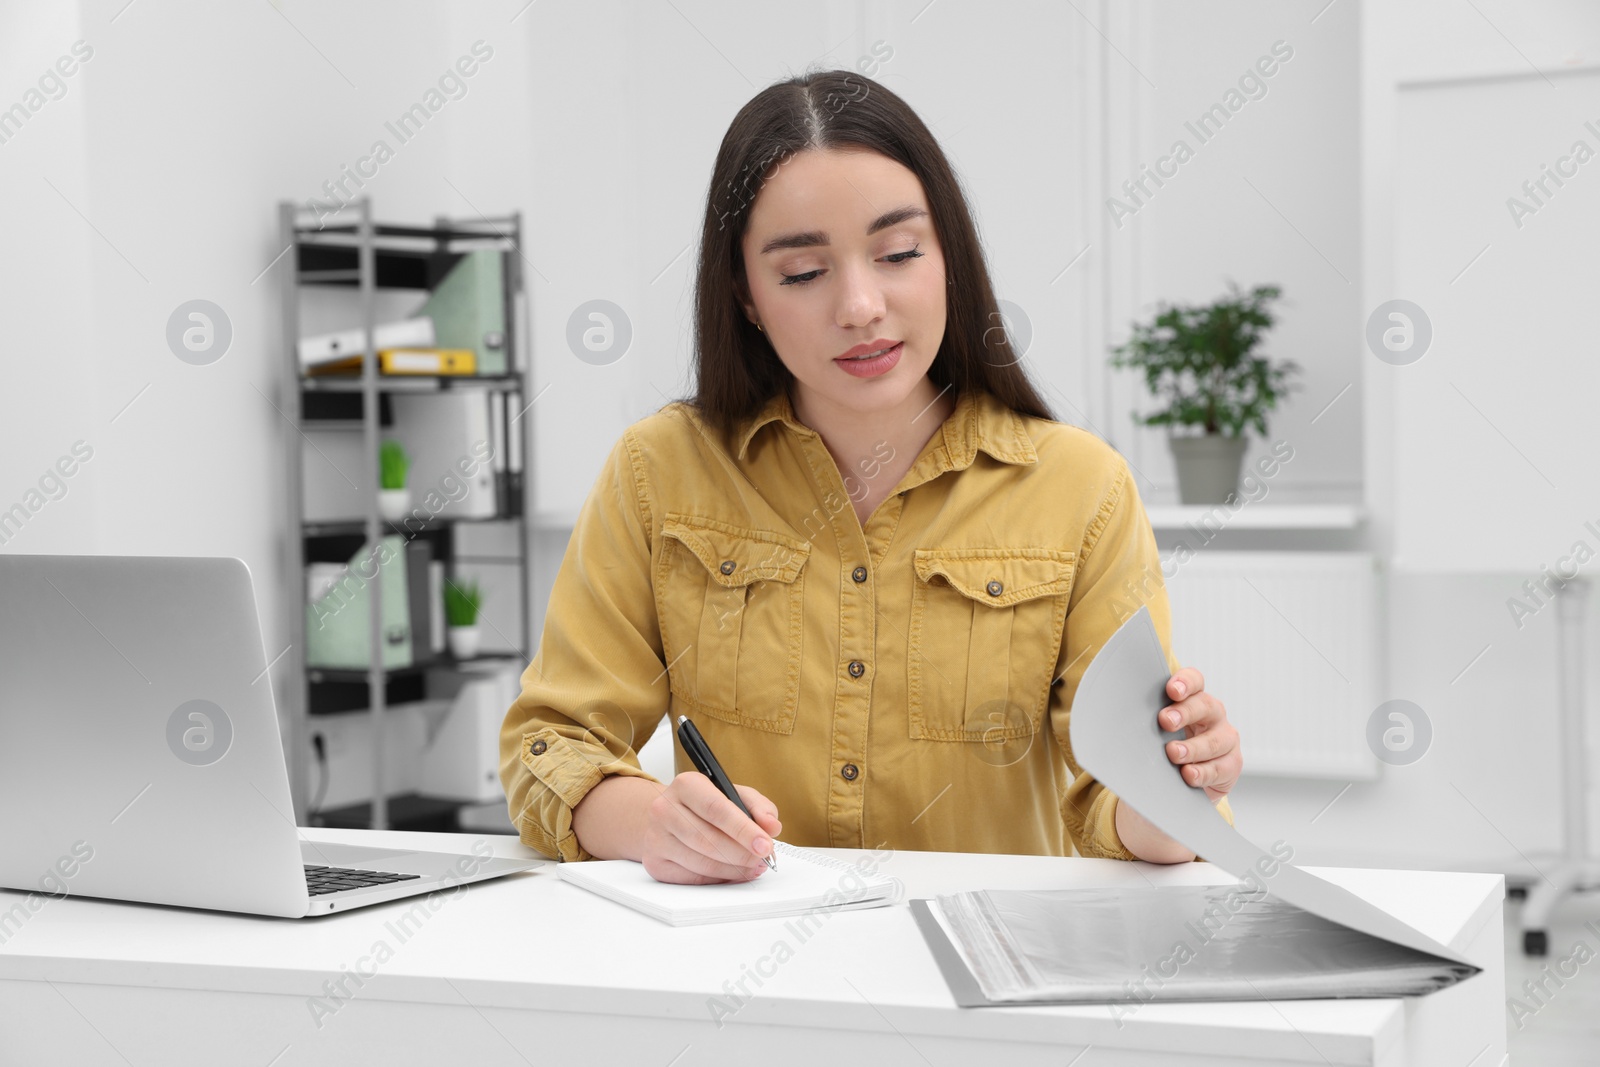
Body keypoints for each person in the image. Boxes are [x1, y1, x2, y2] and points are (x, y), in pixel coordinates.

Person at [500, 69, 1242, 885]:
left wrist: (1176, 792)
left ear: (948, 257)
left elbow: (1126, 811)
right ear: (745, 295)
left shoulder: (1080, 487)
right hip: (737, 963)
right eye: (802, 273)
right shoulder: (659, 471)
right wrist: (653, 824)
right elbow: (553, 741)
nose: (860, 304)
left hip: (987, 980)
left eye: (897, 254)